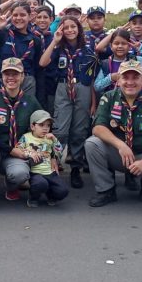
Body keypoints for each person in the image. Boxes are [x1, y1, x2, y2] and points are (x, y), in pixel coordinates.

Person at [85, 60, 142, 207]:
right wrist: (121, 145)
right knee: (91, 144)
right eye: (125, 78)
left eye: (135, 78)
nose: (130, 82)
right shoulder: (109, 97)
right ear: (118, 80)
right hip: (119, 154)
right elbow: (98, 128)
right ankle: (106, 190)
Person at [0, 57, 42, 214]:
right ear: (1, 76)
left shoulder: (30, 101)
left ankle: (12, 185)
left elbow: (42, 125)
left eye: (15, 74)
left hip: (14, 155)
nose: (11, 78)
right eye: (7, 74)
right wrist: (11, 150)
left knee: (20, 174)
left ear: (22, 76)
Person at [38, 16, 97, 189]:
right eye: (66, 27)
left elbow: (93, 78)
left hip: (83, 88)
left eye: (73, 26)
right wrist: (55, 41)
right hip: (63, 88)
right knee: (60, 130)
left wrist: (93, 103)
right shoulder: (58, 49)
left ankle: (75, 168)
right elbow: (42, 62)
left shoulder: (88, 50)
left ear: (79, 28)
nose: (70, 30)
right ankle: (52, 165)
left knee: (79, 131)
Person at [0, 0, 42, 95]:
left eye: (22, 15)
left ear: (29, 16)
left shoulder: (35, 40)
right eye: (15, 15)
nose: (18, 18)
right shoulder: (3, 34)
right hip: (3, 81)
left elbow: (38, 69)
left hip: (26, 83)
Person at [15, 110, 68, 207]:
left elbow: (59, 152)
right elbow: (18, 150)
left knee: (63, 190)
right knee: (40, 183)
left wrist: (55, 140)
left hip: (50, 172)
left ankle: (51, 195)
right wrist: (30, 153)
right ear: (32, 126)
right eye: (41, 125)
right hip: (35, 172)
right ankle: (33, 197)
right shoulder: (26, 137)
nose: (45, 128)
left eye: (48, 125)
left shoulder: (50, 139)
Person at [94, 29, 142, 95]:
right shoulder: (105, 64)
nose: (120, 46)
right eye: (116, 43)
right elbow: (97, 87)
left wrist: (140, 48)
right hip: (112, 101)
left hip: (135, 100)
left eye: (124, 43)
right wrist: (111, 78)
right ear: (111, 46)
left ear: (129, 46)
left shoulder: (136, 60)